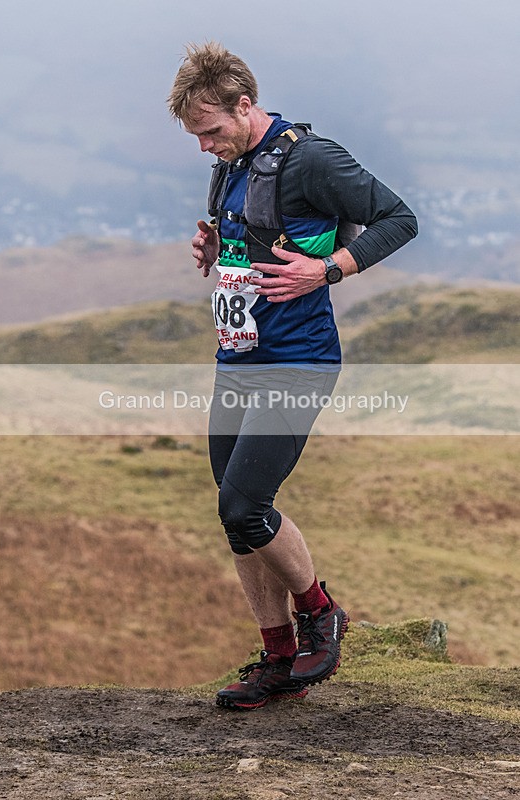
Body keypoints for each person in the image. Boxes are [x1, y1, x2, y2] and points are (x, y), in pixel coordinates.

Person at [168, 42, 417, 710]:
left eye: (210, 130)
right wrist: (217, 247)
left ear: (245, 106)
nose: (203, 147)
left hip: (297, 358)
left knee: (243, 503)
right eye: (195, 136)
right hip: (238, 359)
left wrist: (330, 268)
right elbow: (262, 236)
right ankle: (279, 658)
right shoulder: (237, 162)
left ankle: (322, 613)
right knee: (236, 519)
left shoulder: (311, 157)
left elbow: (399, 219)